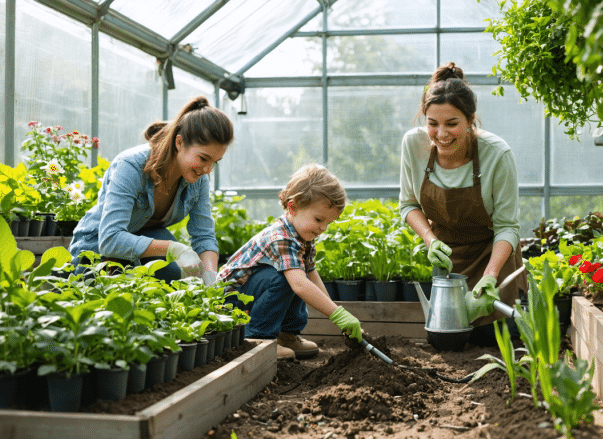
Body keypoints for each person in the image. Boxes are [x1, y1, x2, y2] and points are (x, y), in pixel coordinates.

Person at [399, 62, 528, 346]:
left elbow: (507, 226)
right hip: (450, 262)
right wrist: (431, 240)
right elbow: (408, 205)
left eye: (452, 124)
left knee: (499, 343)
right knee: (449, 343)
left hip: (494, 257)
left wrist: (491, 276)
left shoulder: (496, 154)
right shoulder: (413, 146)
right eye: (432, 124)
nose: (441, 134)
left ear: (470, 120)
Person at [69, 96, 233, 284]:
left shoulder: (198, 179)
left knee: (173, 276)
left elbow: (204, 235)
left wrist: (210, 276)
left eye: (214, 162)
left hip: (142, 243)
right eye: (203, 158)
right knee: (109, 296)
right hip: (96, 246)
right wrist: (173, 248)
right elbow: (110, 240)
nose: (207, 170)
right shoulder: (131, 166)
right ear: (179, 143)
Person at [217, 164, 364, 361]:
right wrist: (338, 315)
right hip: (230, 302)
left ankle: (286, 336)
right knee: (289, 278)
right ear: (293, 207)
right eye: (319, 219)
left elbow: (312, 277)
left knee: (297, 276)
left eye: (328, 223)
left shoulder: (305, 236)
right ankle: (259, 338)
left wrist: (337, 314)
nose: (323, 228)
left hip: (252, 296)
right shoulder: (281, 237)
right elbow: (300, 285)